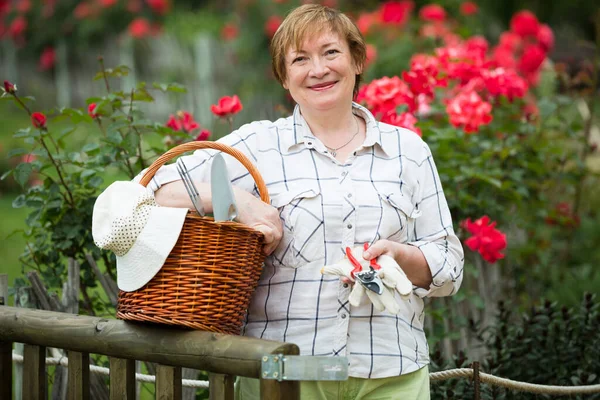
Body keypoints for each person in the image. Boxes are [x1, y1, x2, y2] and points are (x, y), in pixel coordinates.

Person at [147, 4, 464, 399]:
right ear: (284, 77)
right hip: (287, 368)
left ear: (357, 60)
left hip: (391, 370)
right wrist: (240, 202)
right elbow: (152, 191)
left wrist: (400, 257)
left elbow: (449, 265)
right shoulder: (257, 146)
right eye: (300, 59)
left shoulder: (408, 151)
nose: (318, 70)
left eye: (331, 52)